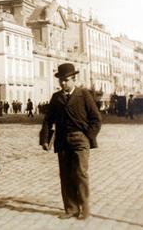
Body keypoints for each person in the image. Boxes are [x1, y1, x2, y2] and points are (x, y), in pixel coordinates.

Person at [39, 63, 102, 220]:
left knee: (80, 173)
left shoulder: (84, 95)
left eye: (66, 80)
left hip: (80, 140)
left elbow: (96, 119)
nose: (63, 83)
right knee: (65, 175)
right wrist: (45, 139)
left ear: (74, 79)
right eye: (60, 80)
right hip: (62, 140)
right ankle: (71, 208)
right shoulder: (56, 98)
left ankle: (85, 208)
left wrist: (88, 137)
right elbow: (48, 120)